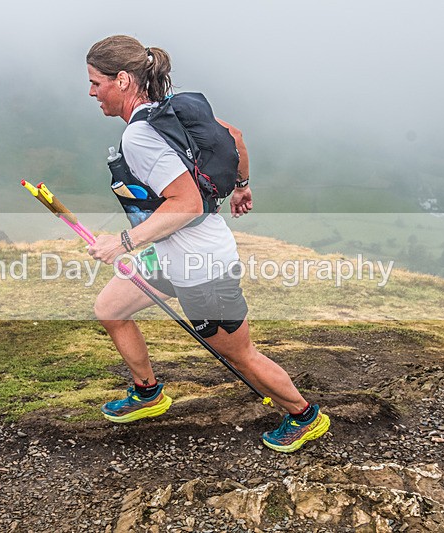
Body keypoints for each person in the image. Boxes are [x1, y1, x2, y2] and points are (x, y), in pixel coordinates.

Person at [85, 35, 330, 453]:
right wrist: (241, 186)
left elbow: (188, 202)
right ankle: (148, 393)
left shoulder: (139, 137)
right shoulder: (173, 105)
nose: (92, 92)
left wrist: (123, 242)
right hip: (169, 255)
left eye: (96, 82)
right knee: (110, 309)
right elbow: (233, 136)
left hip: (202, 267)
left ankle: (305, 415)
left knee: (241, 355)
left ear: (123, 80)